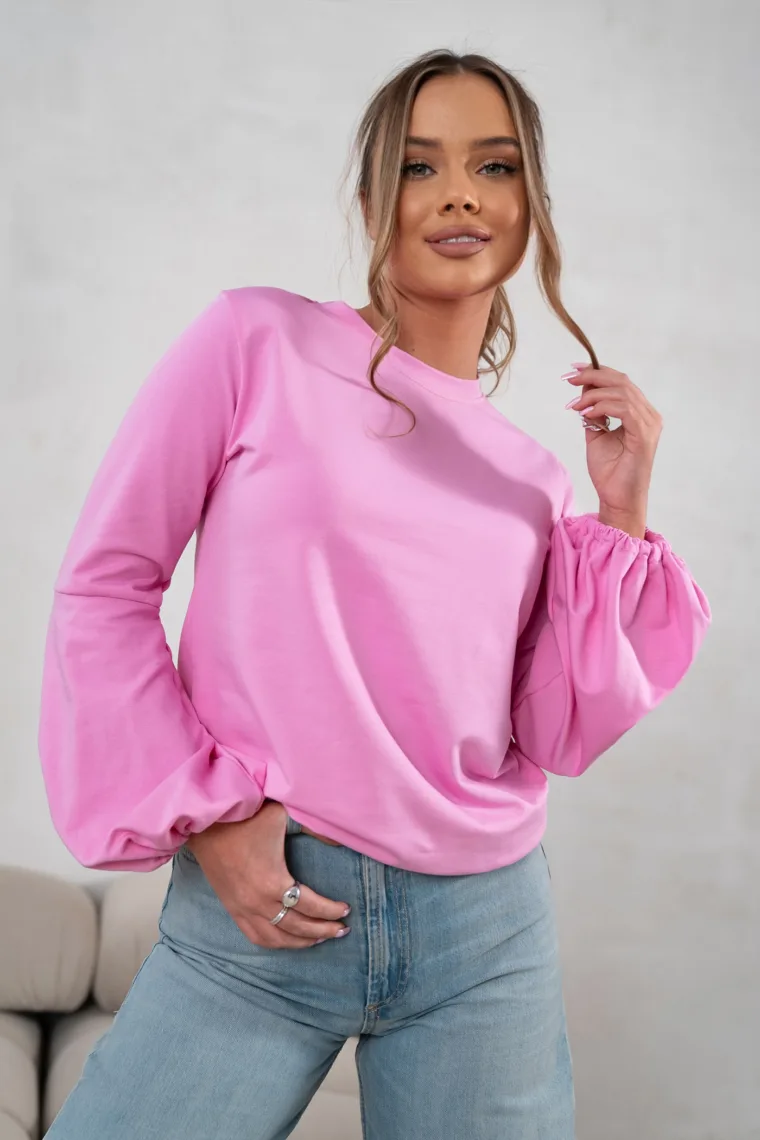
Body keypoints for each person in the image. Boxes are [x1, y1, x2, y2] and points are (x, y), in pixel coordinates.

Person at [38, 48, 711, 1140]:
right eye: (418, 166)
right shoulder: (254, 342)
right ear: (370, 200)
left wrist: (621, 514)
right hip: (264, 915)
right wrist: (211, 815)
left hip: (483, 937)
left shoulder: (534, 482)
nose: (459, 195)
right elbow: (104, 586)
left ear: (530, 205)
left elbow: (553, 731)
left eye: (494, 167)